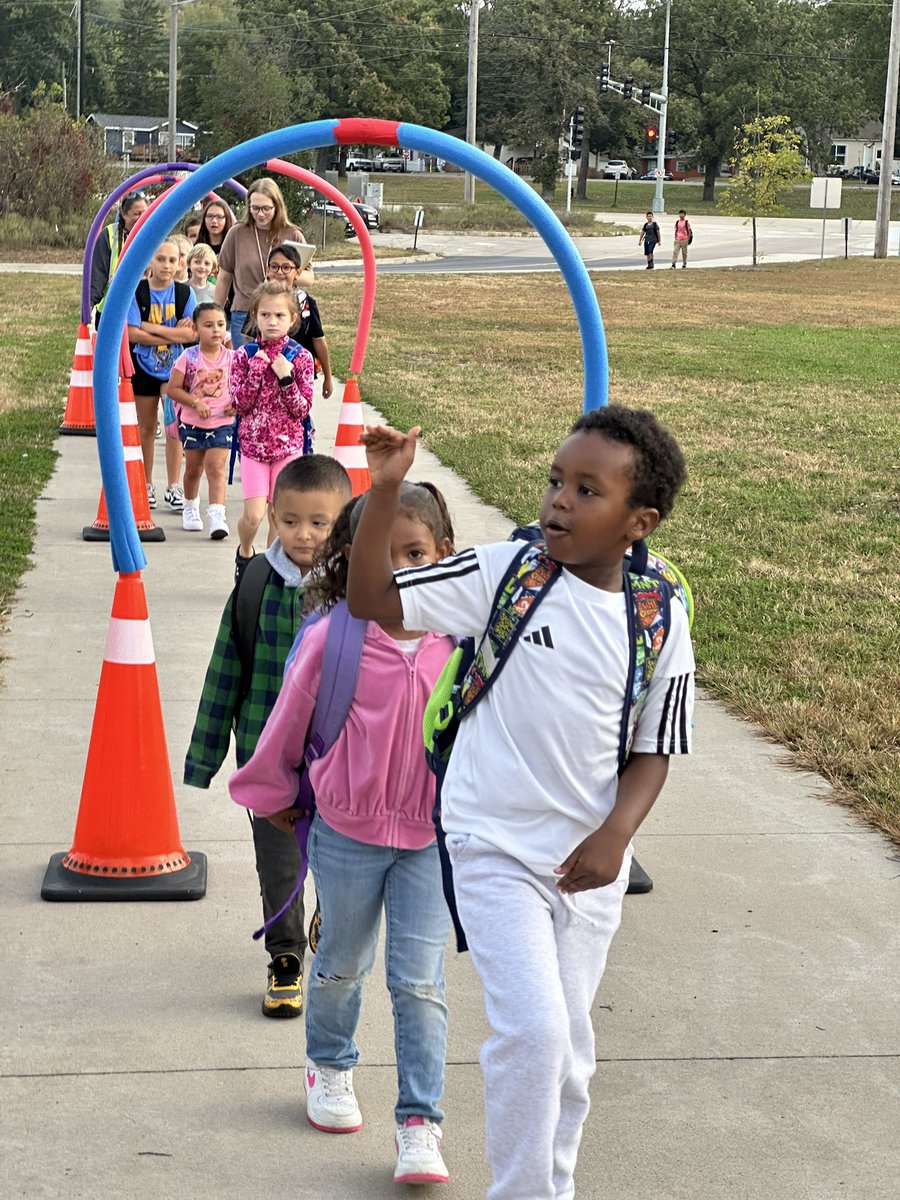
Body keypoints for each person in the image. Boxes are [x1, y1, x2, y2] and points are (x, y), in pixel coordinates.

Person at [345, 407, 696, 1200]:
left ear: (638, 522)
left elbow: (655, 746)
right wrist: (384, 491)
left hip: (588, 865)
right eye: (554, 481)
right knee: (533, 1034)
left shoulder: (659, 614)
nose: (558, 502)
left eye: (585, 489)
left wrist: (617, 833)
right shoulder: (505, 575)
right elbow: (373, 600)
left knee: (570, 1051)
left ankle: (553, 1187)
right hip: (490, 842)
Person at [229, 482, 456, 1187]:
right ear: (348, 564)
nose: (399, 573)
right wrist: (270, 793)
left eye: (414, 553)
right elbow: (288, 720)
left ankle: (419, 1122)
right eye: (378, 559)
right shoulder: (334, 637)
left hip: (427, 839)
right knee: (341, 967)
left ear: (444, 554)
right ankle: (330, 1067)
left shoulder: (464, 640)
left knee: (419, 981)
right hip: (346, 835)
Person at [184, 456, 352, 1013]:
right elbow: (225, 673)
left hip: (341, 764)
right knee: (277, 866)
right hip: (268, 760)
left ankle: (330, 913)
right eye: (290, 521)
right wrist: (205, 757)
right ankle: (284, 958)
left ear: (344, 523)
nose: (304, 535)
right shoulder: (256, 585)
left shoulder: (359, 596)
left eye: (320, 523)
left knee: (338, 856)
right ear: (271, 518)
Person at [230, 281, 315, 580]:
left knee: (278, 517)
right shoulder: (243, 356)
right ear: (255, 316)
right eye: (265, 315)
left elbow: (303, 409)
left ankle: (271, 570)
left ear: (293, 319)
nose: (272, 321)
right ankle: (244, 552)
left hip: (288, 447)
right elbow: (239, 404)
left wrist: (285, 379)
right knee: (253, 515)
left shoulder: (301, 358)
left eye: (279, 315)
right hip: (254, 447)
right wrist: (256, 370)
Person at [126, 240, 196, 510]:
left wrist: (149, 328)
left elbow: (190, 334)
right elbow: (131, 334)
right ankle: (146, 484)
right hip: (143, 366)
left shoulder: (183, 294)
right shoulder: (138, 291)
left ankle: (173, 486)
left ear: (180, 263)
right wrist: (171, 332)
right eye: (160, 259)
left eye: (173, 259)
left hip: (175, 369)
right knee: (145, 427)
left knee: (174, 428)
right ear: (150, 262)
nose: (167, 265)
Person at [214, 178, 314, 348]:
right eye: (255, 208)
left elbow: (309, 278)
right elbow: (224, 278)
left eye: (266, 208)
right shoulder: (237, 233)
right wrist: (216, 313)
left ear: (277, 206)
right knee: (248, 367)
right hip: (244, 312)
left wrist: (285, 272)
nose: (260, 214)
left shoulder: (292, 234)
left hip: (282, 314)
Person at [166, 302, 235, 537]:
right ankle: (190, 506)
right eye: (208, 325)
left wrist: (235, 404)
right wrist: (196, 403)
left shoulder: (232, 358)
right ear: (195, 329)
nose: (215, 330)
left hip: (222, 423)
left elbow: (240, 388)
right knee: (194, 468)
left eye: (220, 325)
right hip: (193, 423)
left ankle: (217, 514)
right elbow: (172, 389)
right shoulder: (189, 357)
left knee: (216, 467)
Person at [257, 243, 334, 399]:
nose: (279, 272)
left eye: (286, 268)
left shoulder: (306, 303)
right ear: (267, 270)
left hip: (299, 371)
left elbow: (318, 340)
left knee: (300, 413)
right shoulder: (260, 302)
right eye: (274, 267)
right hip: (265, 373)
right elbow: (249, 339)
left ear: (297, 272)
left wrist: (328, 377)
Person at [90, 190, 148, 326]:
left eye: (145, 213)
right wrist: (90, 303)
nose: (141, 218)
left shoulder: (155, 234)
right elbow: (97, 274)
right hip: (111, 309)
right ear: (123, 214)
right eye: (136, 214)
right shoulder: (110, 235)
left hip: (144, 309)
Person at [195, 199, 235, 270]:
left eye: (219, 217)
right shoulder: (197, 247)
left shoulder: (233, 248)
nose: (214, 221)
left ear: (226, 219)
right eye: (210, 216)